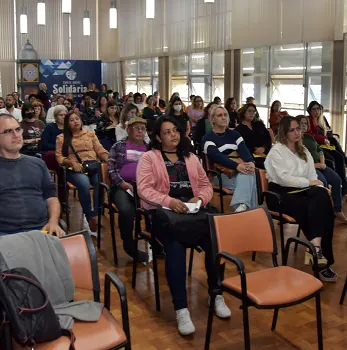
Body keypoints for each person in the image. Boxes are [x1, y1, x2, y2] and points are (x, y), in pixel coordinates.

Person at [136, 116, 231, 335]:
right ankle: (181, 309)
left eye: (175, 131)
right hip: (165, 215)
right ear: (158, 137)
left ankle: (216, 294)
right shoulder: (149, 158)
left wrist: (199, 200)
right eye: (167, 132)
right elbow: (144, 190)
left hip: (194, 213)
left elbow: (206, 185)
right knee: (175, 248)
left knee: (217, 243)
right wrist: (170, 201)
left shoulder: (191, 157)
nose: (173, 135)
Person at [0, 114, 64, 238]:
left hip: (42, 230)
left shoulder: (38, 164)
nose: (16, 135)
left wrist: (53, 222)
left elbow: (52, 199)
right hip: (4, 235)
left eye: (18, 129)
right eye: (8, 131)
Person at [264, 116, 337, 282]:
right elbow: (283, 179)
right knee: (314, 206)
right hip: (280, 195)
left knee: (322, 197)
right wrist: (310, 183)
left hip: (304, 190)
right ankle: (321, 260)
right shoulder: (276, 151)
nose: (297, 132)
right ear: (284, 132)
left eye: (298, 129)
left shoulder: (304, 151)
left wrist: (319, 187)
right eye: (292, 130)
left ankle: (316, 248)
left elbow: (313, 175)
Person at [56, 111, 109, 234]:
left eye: (77, 119)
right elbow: (59, 157)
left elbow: (100, 149)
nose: (76, 121)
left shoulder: (90, 133)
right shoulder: (62, 138)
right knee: (84, 183)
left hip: (93, 166)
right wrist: (71, 163)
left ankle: (96, 214)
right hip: (74, 169)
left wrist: (108, 158)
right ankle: (89, 215)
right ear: (67, 124)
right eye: (72, 120)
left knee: (100, 182)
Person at [107, 117, 150, 262]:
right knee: (126, 210)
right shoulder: (119, 146)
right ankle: (129, 245)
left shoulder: (149, 148)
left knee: (158, 207)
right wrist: (122, 183)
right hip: (122, 186)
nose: (140, 131)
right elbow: (111, 169)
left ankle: (156, 241)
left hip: (144, 186)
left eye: (142, 128)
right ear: (129, 130)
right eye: (137, 128)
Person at [202, 106, 258, 212]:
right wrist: (237, 166)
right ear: (212, 119)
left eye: (225, 115)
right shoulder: (207, 138)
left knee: (250, 171)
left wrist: (251, 162)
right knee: (250, 177)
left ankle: (241, 208)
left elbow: (244, 151)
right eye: (219, 115)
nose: (223, 118)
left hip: (239, 172)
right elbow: (218, 157)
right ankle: (248, 211)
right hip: (221, 175)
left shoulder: (235, 135)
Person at [297, 115, 347, 223]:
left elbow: (320, 150)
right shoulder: (296, 141)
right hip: (309, 168)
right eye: (301, 123)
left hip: (320, 165)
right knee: (322, 183)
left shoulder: (309, 137)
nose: (304, 125)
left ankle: (337, 210)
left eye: (306, 123)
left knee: (336, 180)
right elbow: (298, 160)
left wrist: (322, 162)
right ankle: (324, 212)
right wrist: (315, 165)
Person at [306, 101, 347, 189]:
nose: (316, 111)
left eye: (318, 109)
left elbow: (326, 132)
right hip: (316, 146)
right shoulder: (308, 120)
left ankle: (343, 184)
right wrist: (323, 139)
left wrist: (325, 139)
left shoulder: (321, 119)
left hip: (324, 145)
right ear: (310, 110)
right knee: (332, 159)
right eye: (314, 109)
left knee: (339, 157)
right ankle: (337, 184)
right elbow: (310, 135)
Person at [235, 103, 272, 169]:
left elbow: (268, 139)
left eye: (254, 111)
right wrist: (255, 151)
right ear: (244, 112)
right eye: (249, 111)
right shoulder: (238, 129)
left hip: (266, 152)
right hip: (251, 156)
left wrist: (264, 148)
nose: (252, 113)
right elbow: (242, 145)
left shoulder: (259, 125)